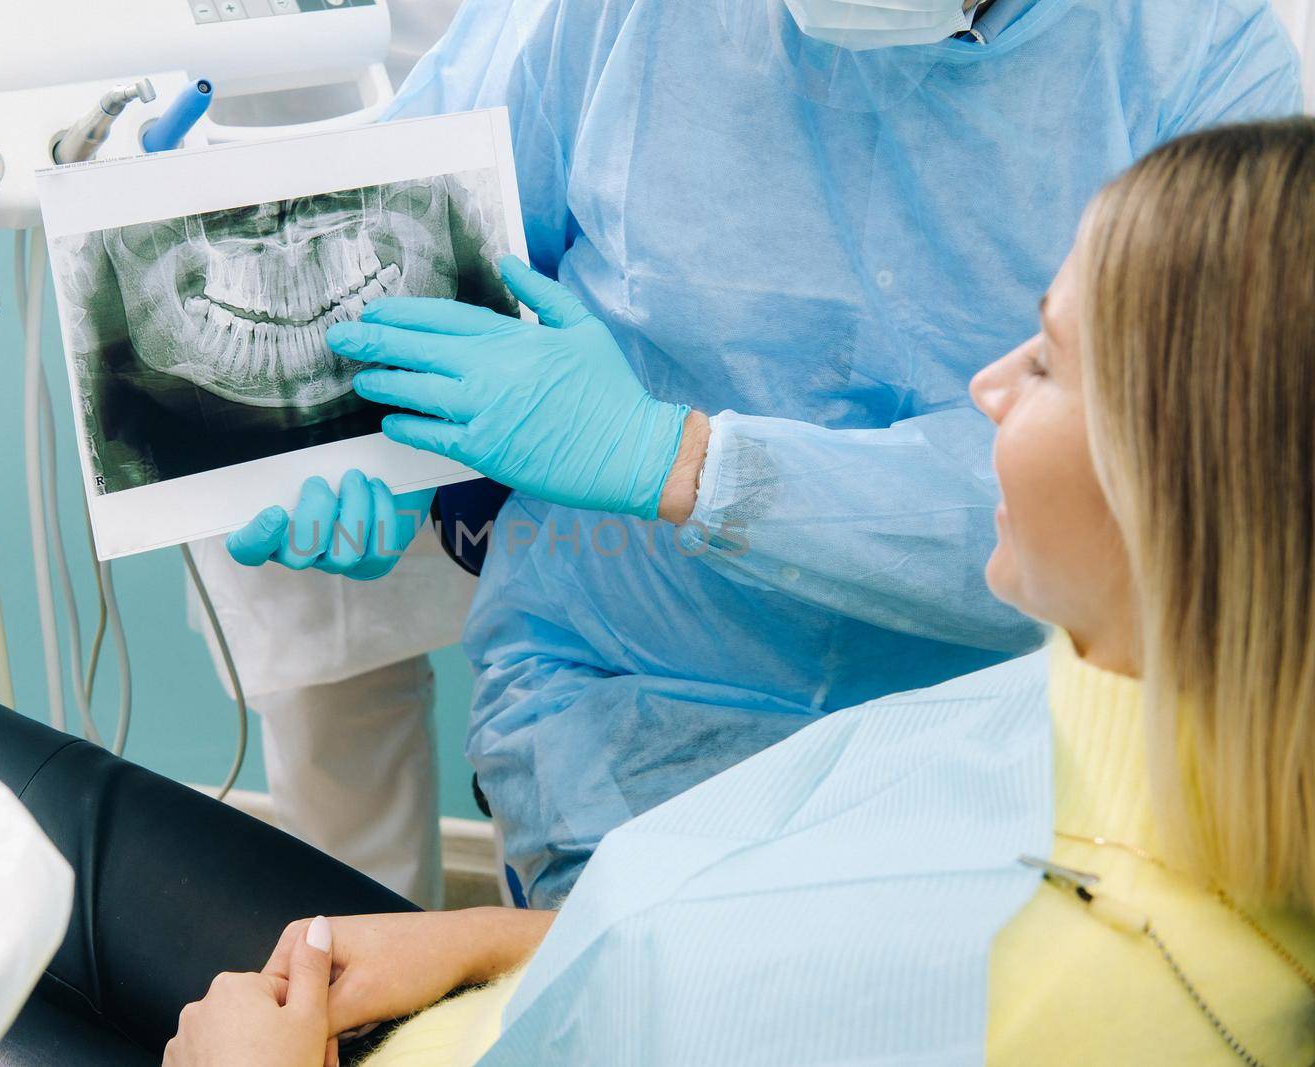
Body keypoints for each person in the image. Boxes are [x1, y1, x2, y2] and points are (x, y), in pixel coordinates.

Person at [161, 114, 1315, 1066]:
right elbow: (778, 932)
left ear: (1196, 480)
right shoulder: (1082, 712)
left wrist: (692, 462)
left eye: (1050, 360)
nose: (983, 387)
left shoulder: (1075, 1001)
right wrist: (488, 941)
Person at [181, 0, 477, 910]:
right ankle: (375, 1032)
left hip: (497, 181)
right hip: (228, 223)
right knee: (337, 714)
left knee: (600, 661)